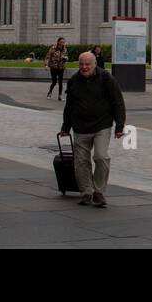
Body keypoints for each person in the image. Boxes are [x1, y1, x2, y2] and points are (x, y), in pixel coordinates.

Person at [59, 51, 125, 208]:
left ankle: (99, 191)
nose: (84, 67)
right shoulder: (74, 80)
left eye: (87, 64)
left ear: (95, 64)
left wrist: (119, 126)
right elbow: (69, 106)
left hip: (102, 125)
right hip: (80, 127)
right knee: (81, 162)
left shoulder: (106, 79)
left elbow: (118, 102)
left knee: (101, 157)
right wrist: (65, 127)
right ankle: (86, 192)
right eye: (81, 64)